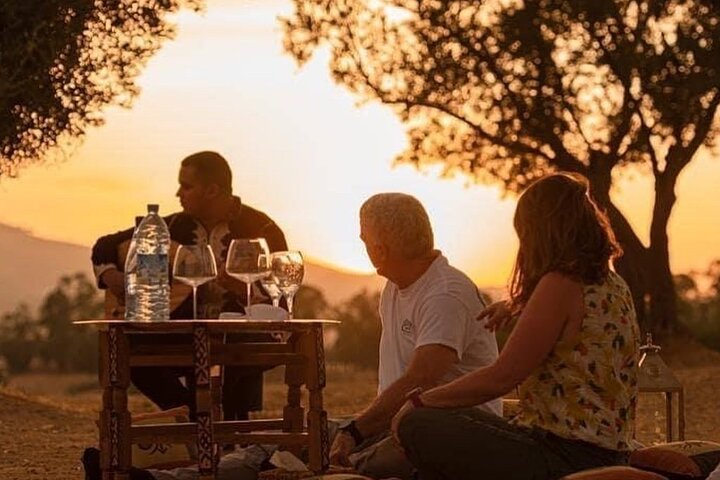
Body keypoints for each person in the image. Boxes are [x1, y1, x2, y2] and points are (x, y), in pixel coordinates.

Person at [392, 173, 641, 480]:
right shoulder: (613, 283)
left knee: (418, 424)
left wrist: (417, 401)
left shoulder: (560, 285)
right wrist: (517, 304)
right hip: (607, 451)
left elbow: (501, 377)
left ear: (541, 232)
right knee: (448, 418)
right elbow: (573, 325)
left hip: (564, 456)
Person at [91, 151, 287, 421]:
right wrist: (113, 277)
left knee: (233, 349)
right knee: (133, 352)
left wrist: (245, 291)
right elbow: (106, 245)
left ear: (212, 190)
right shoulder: (171, 225)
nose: (178, 193)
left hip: (241, 331)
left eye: (186, 186)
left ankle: (218, 429)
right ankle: (197, 418)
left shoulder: (261, 228)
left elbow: (282, 299)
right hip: (183, 329)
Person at [328, 192, 501, 480]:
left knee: (328, 466)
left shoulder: (444, 295)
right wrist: (358, 428)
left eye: (364, 239)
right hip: (395, 427)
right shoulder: (396, 287)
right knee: (301, 440)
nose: (363, 246)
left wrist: (356, 431)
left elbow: (420, 380)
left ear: (380, 250)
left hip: (446, 436)